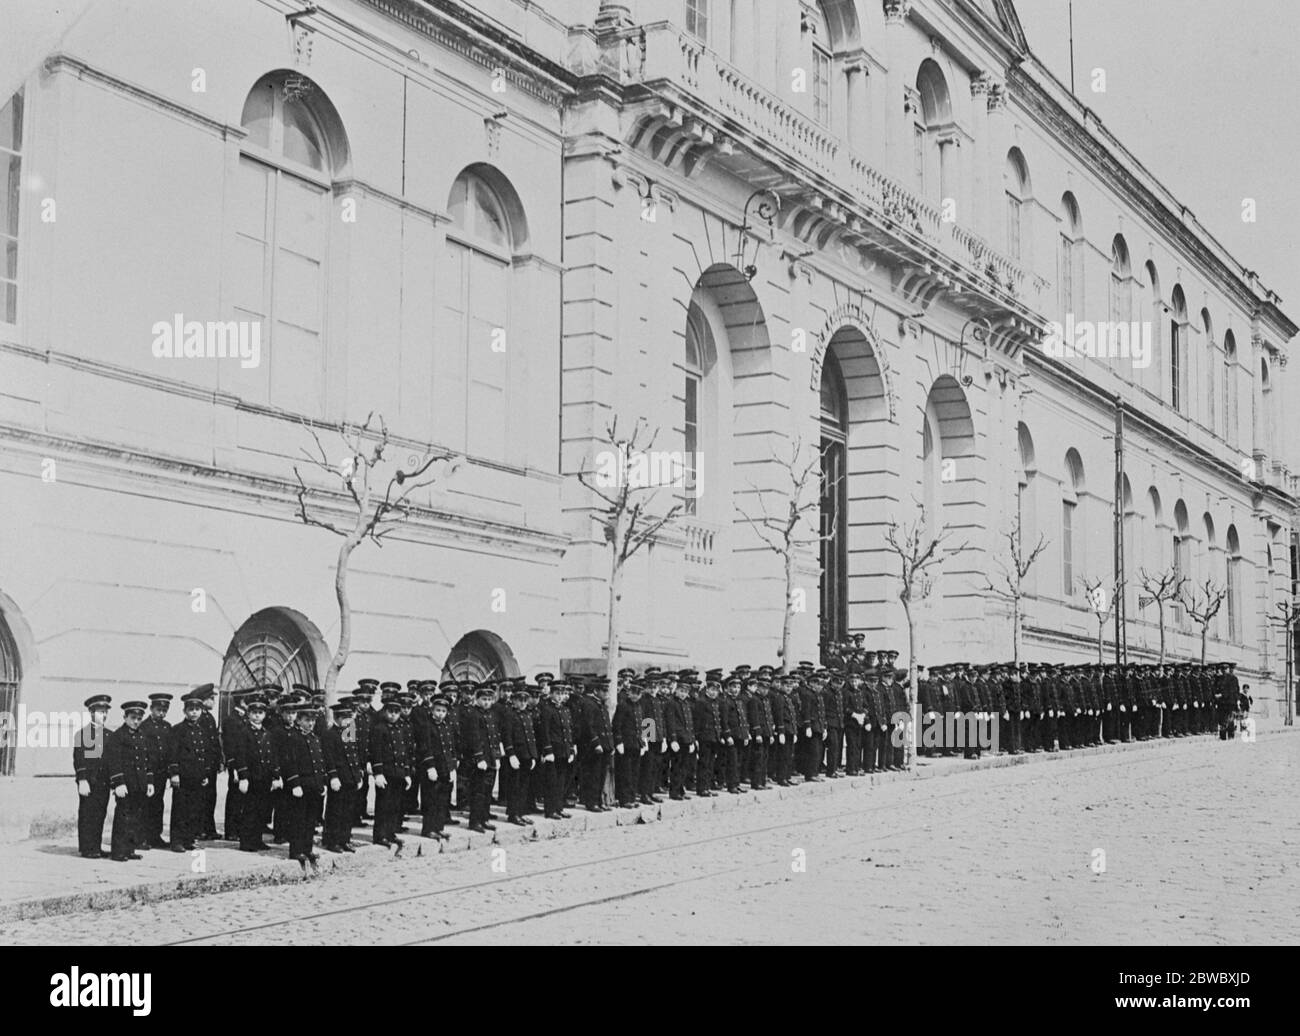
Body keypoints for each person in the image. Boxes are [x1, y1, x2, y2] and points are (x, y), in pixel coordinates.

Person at [230, 695, 282, 853]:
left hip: (264, 777)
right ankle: (246, 841)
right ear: (248, 713)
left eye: (260, 712)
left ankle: (257, 839)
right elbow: (241, 755)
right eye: (254, 712)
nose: (257, 715)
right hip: (251, 777)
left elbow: (272, 756)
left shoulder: (267, 733)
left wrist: (275, 775)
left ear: (265, 715)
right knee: (250, 810)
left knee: (262, 810)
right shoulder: (243, 732)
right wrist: (243, 776)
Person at [103, 700, 152, 862]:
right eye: (133, 718)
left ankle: (130, 849)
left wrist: (149, 782)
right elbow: (114, 761)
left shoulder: (142, 735)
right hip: (126, 785)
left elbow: (147, 760)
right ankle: (118, 851)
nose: (136, 721)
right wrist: (118, 783)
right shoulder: (118, 736)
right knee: (123, 818)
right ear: (125, 717)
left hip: (140, 784)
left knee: (136, 819)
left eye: (139, 718)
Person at [283, 705, 330, 865]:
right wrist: (295, 783)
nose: (310, 724)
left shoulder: (314, 739)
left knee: (310, 820)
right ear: (299, 720)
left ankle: (307, 848)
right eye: (307, 720)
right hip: (301, 786)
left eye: (313, 720)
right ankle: (296, 850)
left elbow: (320, 763)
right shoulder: (293, 738)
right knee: (298, 819)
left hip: (314, 785)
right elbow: (290, 763)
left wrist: (322, 783)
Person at [168, 692, 211, 852]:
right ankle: (177, 841)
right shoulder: (177, 730)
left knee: (194, 809)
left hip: (197, 776)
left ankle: (189, 839)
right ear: (184, 711)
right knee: (180, 809)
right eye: (191, 709)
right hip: (182, 777)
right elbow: (172, 753)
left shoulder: (202, 730)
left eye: (197, 709)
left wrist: (205, 774)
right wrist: (174, 773)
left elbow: (204, 754)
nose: (194, 712)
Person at [73, 694, 113, 859]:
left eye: (105, 712)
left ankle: (96, 845)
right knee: (88, 814)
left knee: (100, 814)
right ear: (91, 713)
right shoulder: (82, 734)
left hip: (104, 782)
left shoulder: (110, 735)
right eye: (99, 712)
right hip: (89, 781)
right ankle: (87, 847)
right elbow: (79, 758)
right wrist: (82, 780)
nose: (103, 715)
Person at [370, 695, 412, 846]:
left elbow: (405, 753)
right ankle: (380, 835)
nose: (393, 714)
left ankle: (391, 832)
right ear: (385, 712)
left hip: (398, 773)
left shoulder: (402, 729)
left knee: (395, 805)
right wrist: (378, 773)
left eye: (396, 711)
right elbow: (376, 752)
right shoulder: (379, 729)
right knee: (383, 805)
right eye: (390, 711)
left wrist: (407, 774)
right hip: (386, 773)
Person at [321, 700, 362, 852]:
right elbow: (328, 757)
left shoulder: (349, 733)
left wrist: (358, 776)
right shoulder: (329, 734)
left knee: (348, 811)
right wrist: (333, 777)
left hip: (350, 777)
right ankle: (332, 841)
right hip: (338, 778)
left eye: (349, 718)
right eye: (345, 718)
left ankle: (344, 839)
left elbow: (354, 755)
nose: (348, 721)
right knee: (335, 811)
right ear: (337, 718)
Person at [419, 695, 458, 839]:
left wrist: (453, 767)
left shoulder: (447, 726)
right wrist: (430, 766)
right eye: (438, 710)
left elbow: (451, 748)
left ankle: (439, 827)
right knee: (431, 799)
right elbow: (425, 747)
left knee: (442, 800)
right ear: (432, 710)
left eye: (443, 710)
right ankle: (428, 829)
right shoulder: (427, 725)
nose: (440, 713)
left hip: (445, 768)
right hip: (433, 768)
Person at [140, 693, 173, 848]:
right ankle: (142, 837)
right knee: (145, 805)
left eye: (164, 710)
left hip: (161, 773)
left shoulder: (167, 727)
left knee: (158, 805)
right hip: (147, 772)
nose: (162, 713)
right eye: (159, 709)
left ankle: (155, 835)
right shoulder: (143, 727)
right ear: (152, 709)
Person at [538, 681, 575, 819]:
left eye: (561, 694)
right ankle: (550, 810)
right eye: (557, 693)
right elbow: (545, 732)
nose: (560, 697)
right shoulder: (547, 710)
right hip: (553, 751)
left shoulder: (565, 710)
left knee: (562, 782)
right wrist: (548, 751)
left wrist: (571, 749)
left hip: (564, 751)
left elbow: (569, 731)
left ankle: (559, 807)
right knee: (551, 782)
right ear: (552, 694)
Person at [502, 689, 539, 825]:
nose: (523, 703)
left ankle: (521, 812)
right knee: (514, 786)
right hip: (516, 756)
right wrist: (511, 755)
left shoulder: (527, 715)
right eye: (520, 700)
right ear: (514, 701)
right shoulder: (509, 715)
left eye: (525, 700)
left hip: (527, 756)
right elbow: (507, 737)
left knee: (524, 786)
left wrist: (533, 756)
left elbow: (531, 738)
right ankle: (513, 814)